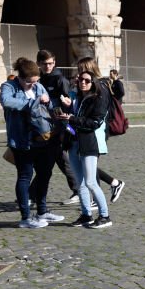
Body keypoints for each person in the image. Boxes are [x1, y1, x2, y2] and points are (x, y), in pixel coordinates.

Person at [0, 58, 67, 228]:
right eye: (29, 82)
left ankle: (42, 211)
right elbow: (7, 101)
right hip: (22, 140)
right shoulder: (9, 86)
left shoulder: (38, 85)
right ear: (21, 78)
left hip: (43, 138)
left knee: (45, 174)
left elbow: (50, 104)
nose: (33, 85)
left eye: (36, 82)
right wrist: (33, 102)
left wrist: (50, 102)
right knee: (25, 176)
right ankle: (25, 217)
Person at [58, 69, 112, 228]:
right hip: (73, 142)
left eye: (87, 80)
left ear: (93, 83)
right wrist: (68, 110)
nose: (82, 82)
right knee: (80, 182)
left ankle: (105, 216)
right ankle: (86, 214)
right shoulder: (78, 97)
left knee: (90, 182)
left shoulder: (98, 99)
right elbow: (73, 120)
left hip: (89, 144)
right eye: (80, 79)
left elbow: (94, 123)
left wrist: (72, 118)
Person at [75, 57, 126, 203]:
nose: (79, 74)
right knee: (88, 165)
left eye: (81, 70)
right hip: (90, 127)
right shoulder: (92, 84)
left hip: (98, 129)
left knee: (89, 165)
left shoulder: (101, 86)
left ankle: (98, 200)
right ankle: (113, 184)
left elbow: (98, 113)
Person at [37, 50, 82, 205]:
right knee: (49, 159)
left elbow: (68, 103)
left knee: (58, 158)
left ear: (54, 62)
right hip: (44, 124)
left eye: (50, 63)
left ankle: (78, 189)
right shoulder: (39, 79)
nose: (47, 66)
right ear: (39, 64)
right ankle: (32, 193)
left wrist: (65, 125)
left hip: (60, 125)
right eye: (44, 64)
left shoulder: (60, 79)